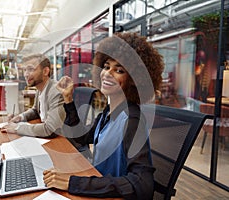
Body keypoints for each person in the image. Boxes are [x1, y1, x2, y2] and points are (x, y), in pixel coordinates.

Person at [43, 32, 164, 199]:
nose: (107, 73)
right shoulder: (108, 112)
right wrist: (68, 99)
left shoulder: (132, 121)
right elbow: (81, 138)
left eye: (119, 70)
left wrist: (74, 183)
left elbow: (143, 184)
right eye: (106, 66)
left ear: (134, 79)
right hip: (96, 187)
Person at [3, 53, 65, 137]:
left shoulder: (56, 91)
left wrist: (18, 128)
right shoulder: (40, 89)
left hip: (64, 141)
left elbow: (50, 129)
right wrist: (21, 117)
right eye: (25, 70)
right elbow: (36, 110)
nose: (25, 74)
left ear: (45, 71)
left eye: (30, 69)